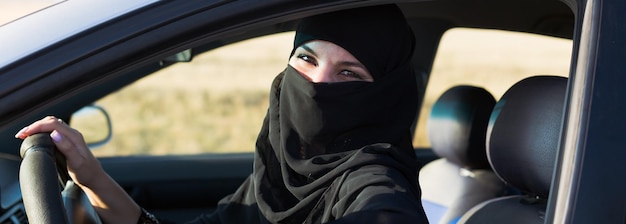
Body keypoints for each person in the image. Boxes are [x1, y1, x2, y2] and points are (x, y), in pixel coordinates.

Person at [15, 4, 428, 224]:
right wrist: (91, 177)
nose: (317, 85)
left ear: (382, 96)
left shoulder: (375, 189)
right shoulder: (282, 176)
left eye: (349, 72)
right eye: (305, 57)